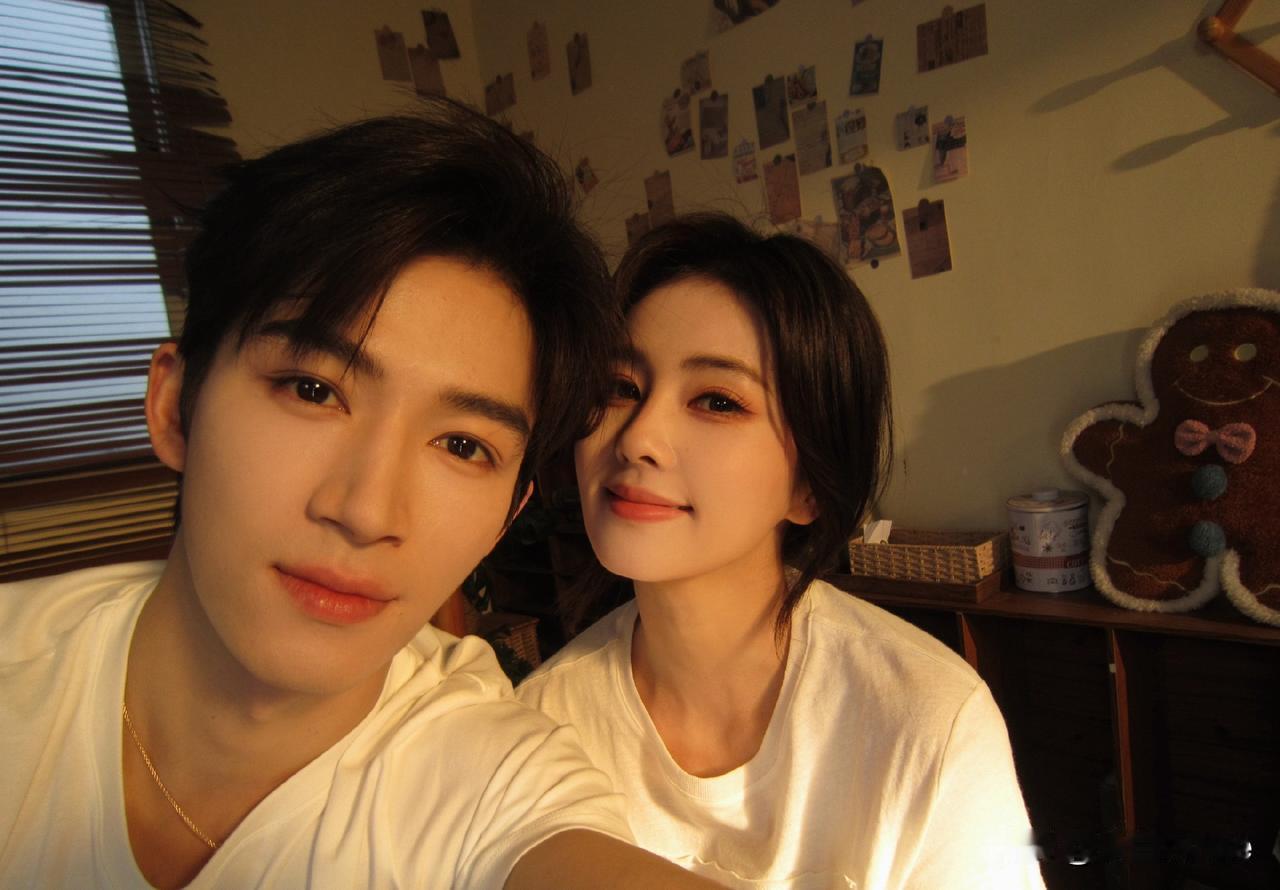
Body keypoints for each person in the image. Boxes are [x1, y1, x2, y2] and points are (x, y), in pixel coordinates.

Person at [0, 97, 724, 890]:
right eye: (313, 390)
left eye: (463, 445)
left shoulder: (494, 782)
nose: (367, 511)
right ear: (175, 406)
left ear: (506, 518)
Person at [517, 213, 1046, 889]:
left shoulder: (925, 721)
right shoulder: (541, 728)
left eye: (716, 401)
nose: (638, 437)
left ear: (809, 487)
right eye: (620, 388)